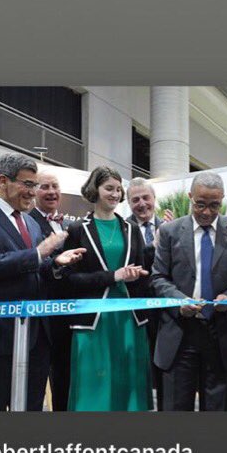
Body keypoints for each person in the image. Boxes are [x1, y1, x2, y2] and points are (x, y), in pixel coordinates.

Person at [0, 153, 86, 411]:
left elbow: (33, 270)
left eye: (35, 185)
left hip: (35, 338)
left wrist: (55, 263)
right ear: (3, 181)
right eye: (28, 184)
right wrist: (39, 253)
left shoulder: (30, 224)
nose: (33, 192)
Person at [151, 171, 227, 411]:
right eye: (200, 204)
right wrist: (179, 301)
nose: (207, 212)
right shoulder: (170, 232)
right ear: (190, 197)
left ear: (222, 200)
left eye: (214, 205)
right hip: (180, 333)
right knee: (176, 409)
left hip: (220, 335)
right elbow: (158, 278)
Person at [57, 166, 153, 411]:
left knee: (128, 384)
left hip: (129, 319)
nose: (115, 194)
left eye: (118, 189)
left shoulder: (131, 230)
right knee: (94, 388)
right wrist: (114, 276)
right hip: (93, 319)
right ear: (95, 190)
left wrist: (138, 275)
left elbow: (143, 274)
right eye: (109, 188)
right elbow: (70, 280)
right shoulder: (78, 230)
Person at [125, 177, 173, 411]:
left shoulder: (171, 227)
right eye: (135, 200)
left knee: (166, 367)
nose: (142, 204)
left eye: (146, 198)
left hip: (168, 310)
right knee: (139, 366)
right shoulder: (122, 227)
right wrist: (153, 245)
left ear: (154, 199)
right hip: (136, 310)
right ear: (128, 203)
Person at [29, 171, 72, 411]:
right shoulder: (28, 221)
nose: (52, 191)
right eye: (45, 186)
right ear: (34, 191)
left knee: (64, 377)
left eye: (55, 186)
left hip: (68, 313)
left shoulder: (65, 224)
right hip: (43, 314)